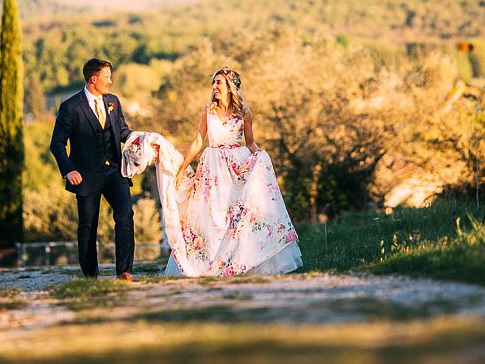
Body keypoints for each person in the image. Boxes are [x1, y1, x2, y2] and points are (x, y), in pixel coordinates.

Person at [123, 66, 302, 277]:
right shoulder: (208, 110)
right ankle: (213, 264)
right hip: (213, 170)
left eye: (219, 82)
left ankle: (241, 262)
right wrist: (181, 170)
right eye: (213, 82)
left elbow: (251, 143)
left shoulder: (244, 112)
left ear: (230, 87)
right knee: (213, 219)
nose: (214, 86)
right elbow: (198, 140)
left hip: (238, 169)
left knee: (238, 218)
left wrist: (262, 158)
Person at [49, 58, 135, 280]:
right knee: (88, 226)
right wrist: (69, 170)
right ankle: (90, 275)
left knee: (125, 215)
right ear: (93, 78)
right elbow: (57, 144)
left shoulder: (113, 102)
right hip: (86, 176)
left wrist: (144, 140)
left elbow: (123, 132)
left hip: (115, 172)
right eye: (107, 77)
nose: (111, 81)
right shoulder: (70, 107)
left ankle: (124, 271)